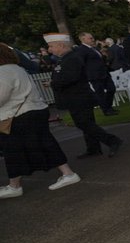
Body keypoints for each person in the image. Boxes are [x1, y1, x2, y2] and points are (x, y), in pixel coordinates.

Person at [0, 43, 81, 199]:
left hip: (19, 116)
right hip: (32, 111)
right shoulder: (16, 68)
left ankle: (15, 186)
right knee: (43, 143)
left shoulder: (4, 71)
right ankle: (67, 173)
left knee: (14, 151)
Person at [45, 33, 123, 159]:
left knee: (84, 124)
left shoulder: (72, 58)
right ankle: (93, 148)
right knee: (86, 123)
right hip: (76, 97)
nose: (50, 49)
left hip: (79, 97)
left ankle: (112, 140)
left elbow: (71, 77)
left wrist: (53, 83)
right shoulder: (66, 58)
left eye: (51, 46)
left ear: (60, 45)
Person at [76, 32, 118, 117]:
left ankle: (108, 107)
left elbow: (99, 60)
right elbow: (81, 63)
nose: (93, 39)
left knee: (111, 89)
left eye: (92, 37)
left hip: (104, 73)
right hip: (94, 76)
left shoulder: (94, 48)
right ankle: (106, 110)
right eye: (90, 38)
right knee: (100, 93)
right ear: (83, 39)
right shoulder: (81, 50)